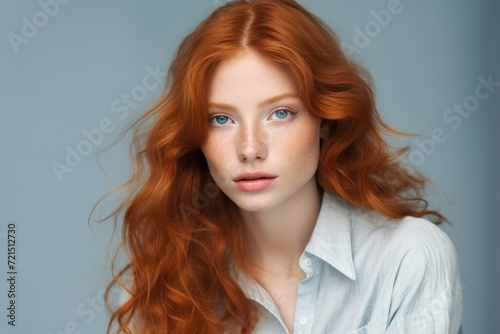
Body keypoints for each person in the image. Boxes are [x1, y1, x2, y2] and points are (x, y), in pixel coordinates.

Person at [104, 0, 463, 333]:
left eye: (280, 113)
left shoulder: (408, 258)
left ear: (324, 119)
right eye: (220, 119)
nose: (249, 149)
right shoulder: (157, 286)